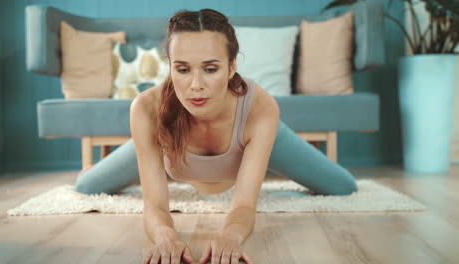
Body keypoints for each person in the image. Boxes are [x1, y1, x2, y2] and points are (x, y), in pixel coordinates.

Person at [75, 8, 358, 264]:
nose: (196, 85)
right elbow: (156, 206)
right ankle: (106, 166)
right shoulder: (148, 109)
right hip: (166, 142)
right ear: (171, 66)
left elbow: (245, 205)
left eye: (211, 69)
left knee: (343, 186)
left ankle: (263, 162)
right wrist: (166, 237)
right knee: (88, 185)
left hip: (260, 138)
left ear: (232, 66)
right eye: (183, 69)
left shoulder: (261, 108)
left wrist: (230, 236)